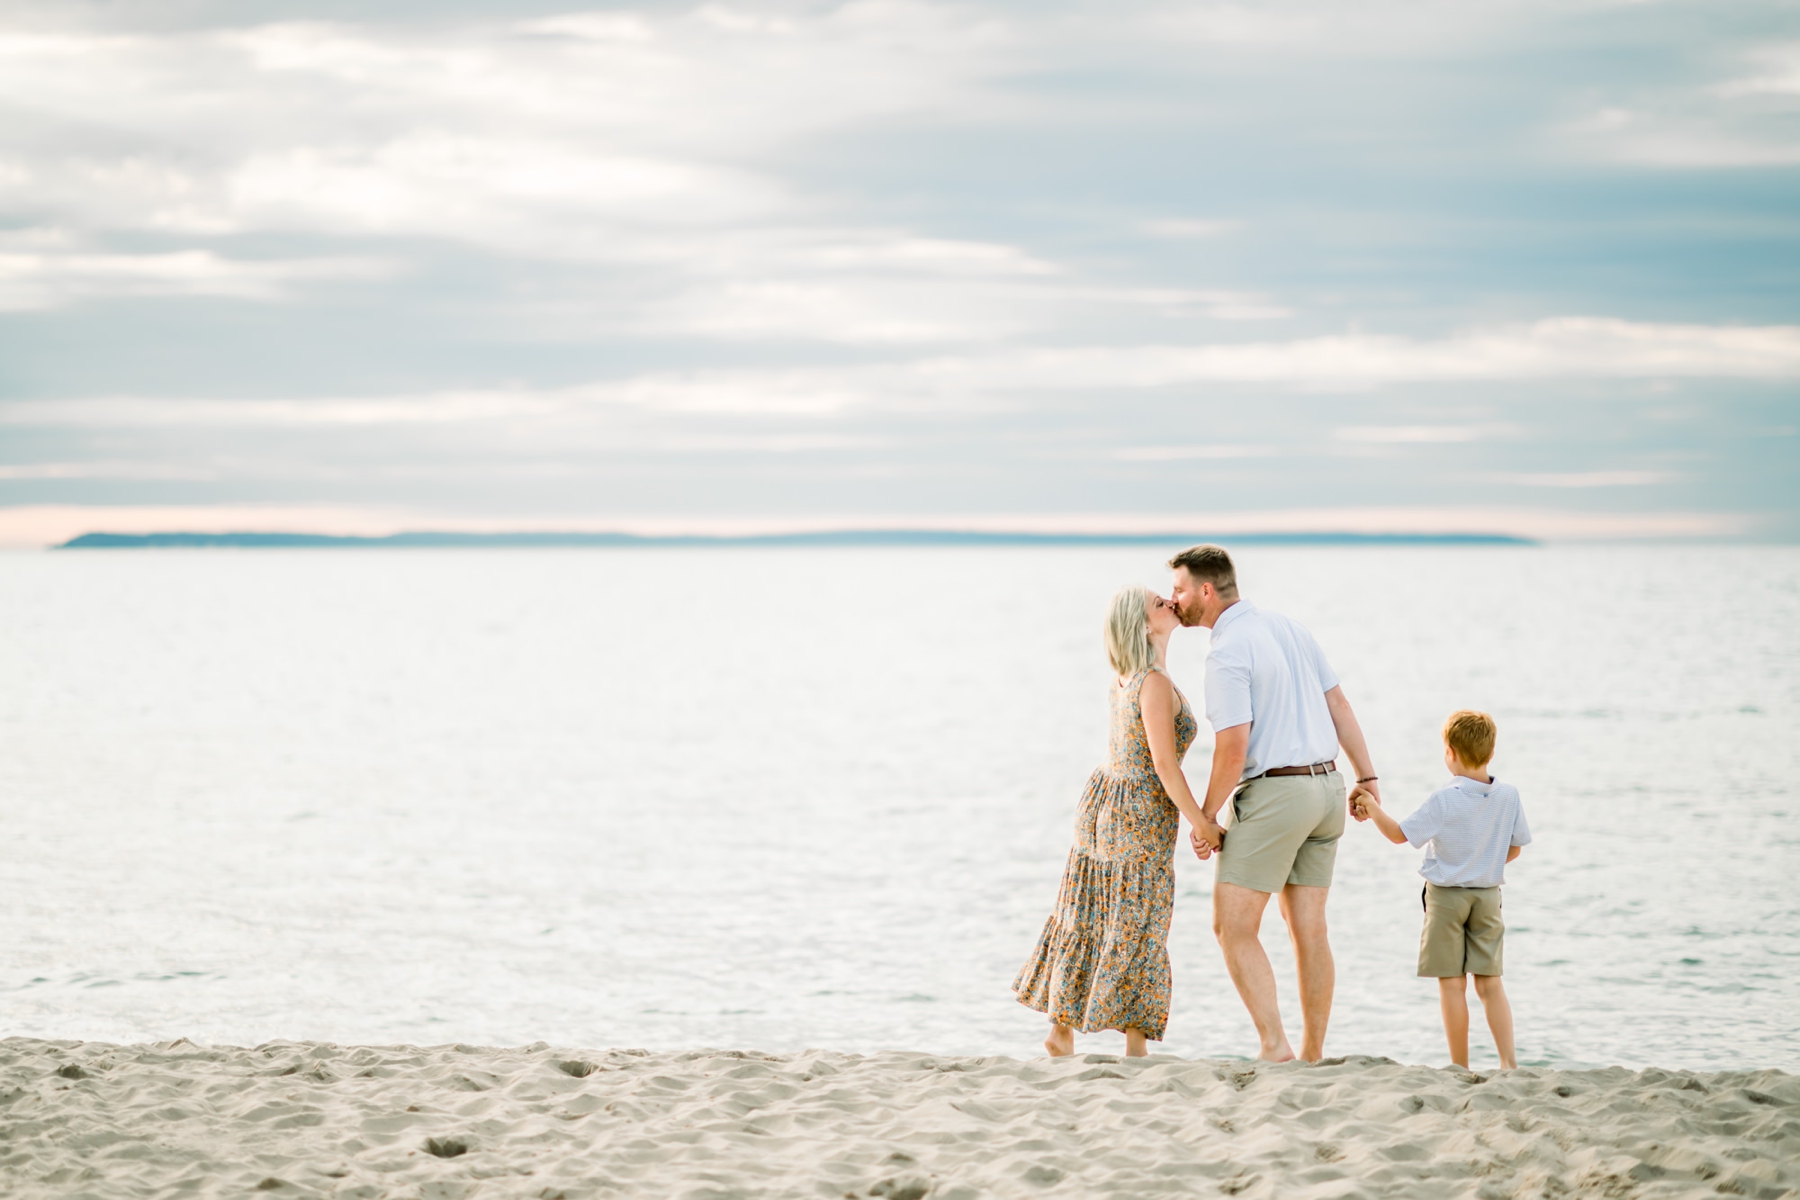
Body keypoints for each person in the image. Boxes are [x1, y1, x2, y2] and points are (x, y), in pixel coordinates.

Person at [1170, 544, 1378, 1063]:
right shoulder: (1289, 628)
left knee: (1232, 926)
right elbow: (1339, 704)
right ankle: (1312, 1054)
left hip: (1278, 794)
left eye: (1179, 589)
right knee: (1309, 929)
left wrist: (1206, 816)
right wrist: (1367, 776)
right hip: (1328, 789)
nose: (1173, 600)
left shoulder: (1226, 651)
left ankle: (1274, 1045)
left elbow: (1233, 748)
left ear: (1206, 590)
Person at [1013, 585, 1213, 1057]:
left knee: (1088, 912)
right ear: (1143, 625)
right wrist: (1201, 823)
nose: (1169, 602)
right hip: (1138, 810)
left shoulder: (1124, 678)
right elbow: (1163, 765)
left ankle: (1061, 1031)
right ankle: (1135, 1048)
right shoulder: (1153, 682)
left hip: (1104, 797)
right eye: (1158, 603)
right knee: (1139, 920)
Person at [1352, 710, 1530, 1069]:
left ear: (1450, 752)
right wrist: (1484, 861)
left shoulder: (1444, 799)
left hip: (1446, 898)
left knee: (1452, 984)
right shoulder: (1509, 796)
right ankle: (1508, 1063)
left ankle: (1460, 1066)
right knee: (1490, 983)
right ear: (1491, 752)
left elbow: (1400, 835)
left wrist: (1371, 807)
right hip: (1487, 897)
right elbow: (1515, 848)